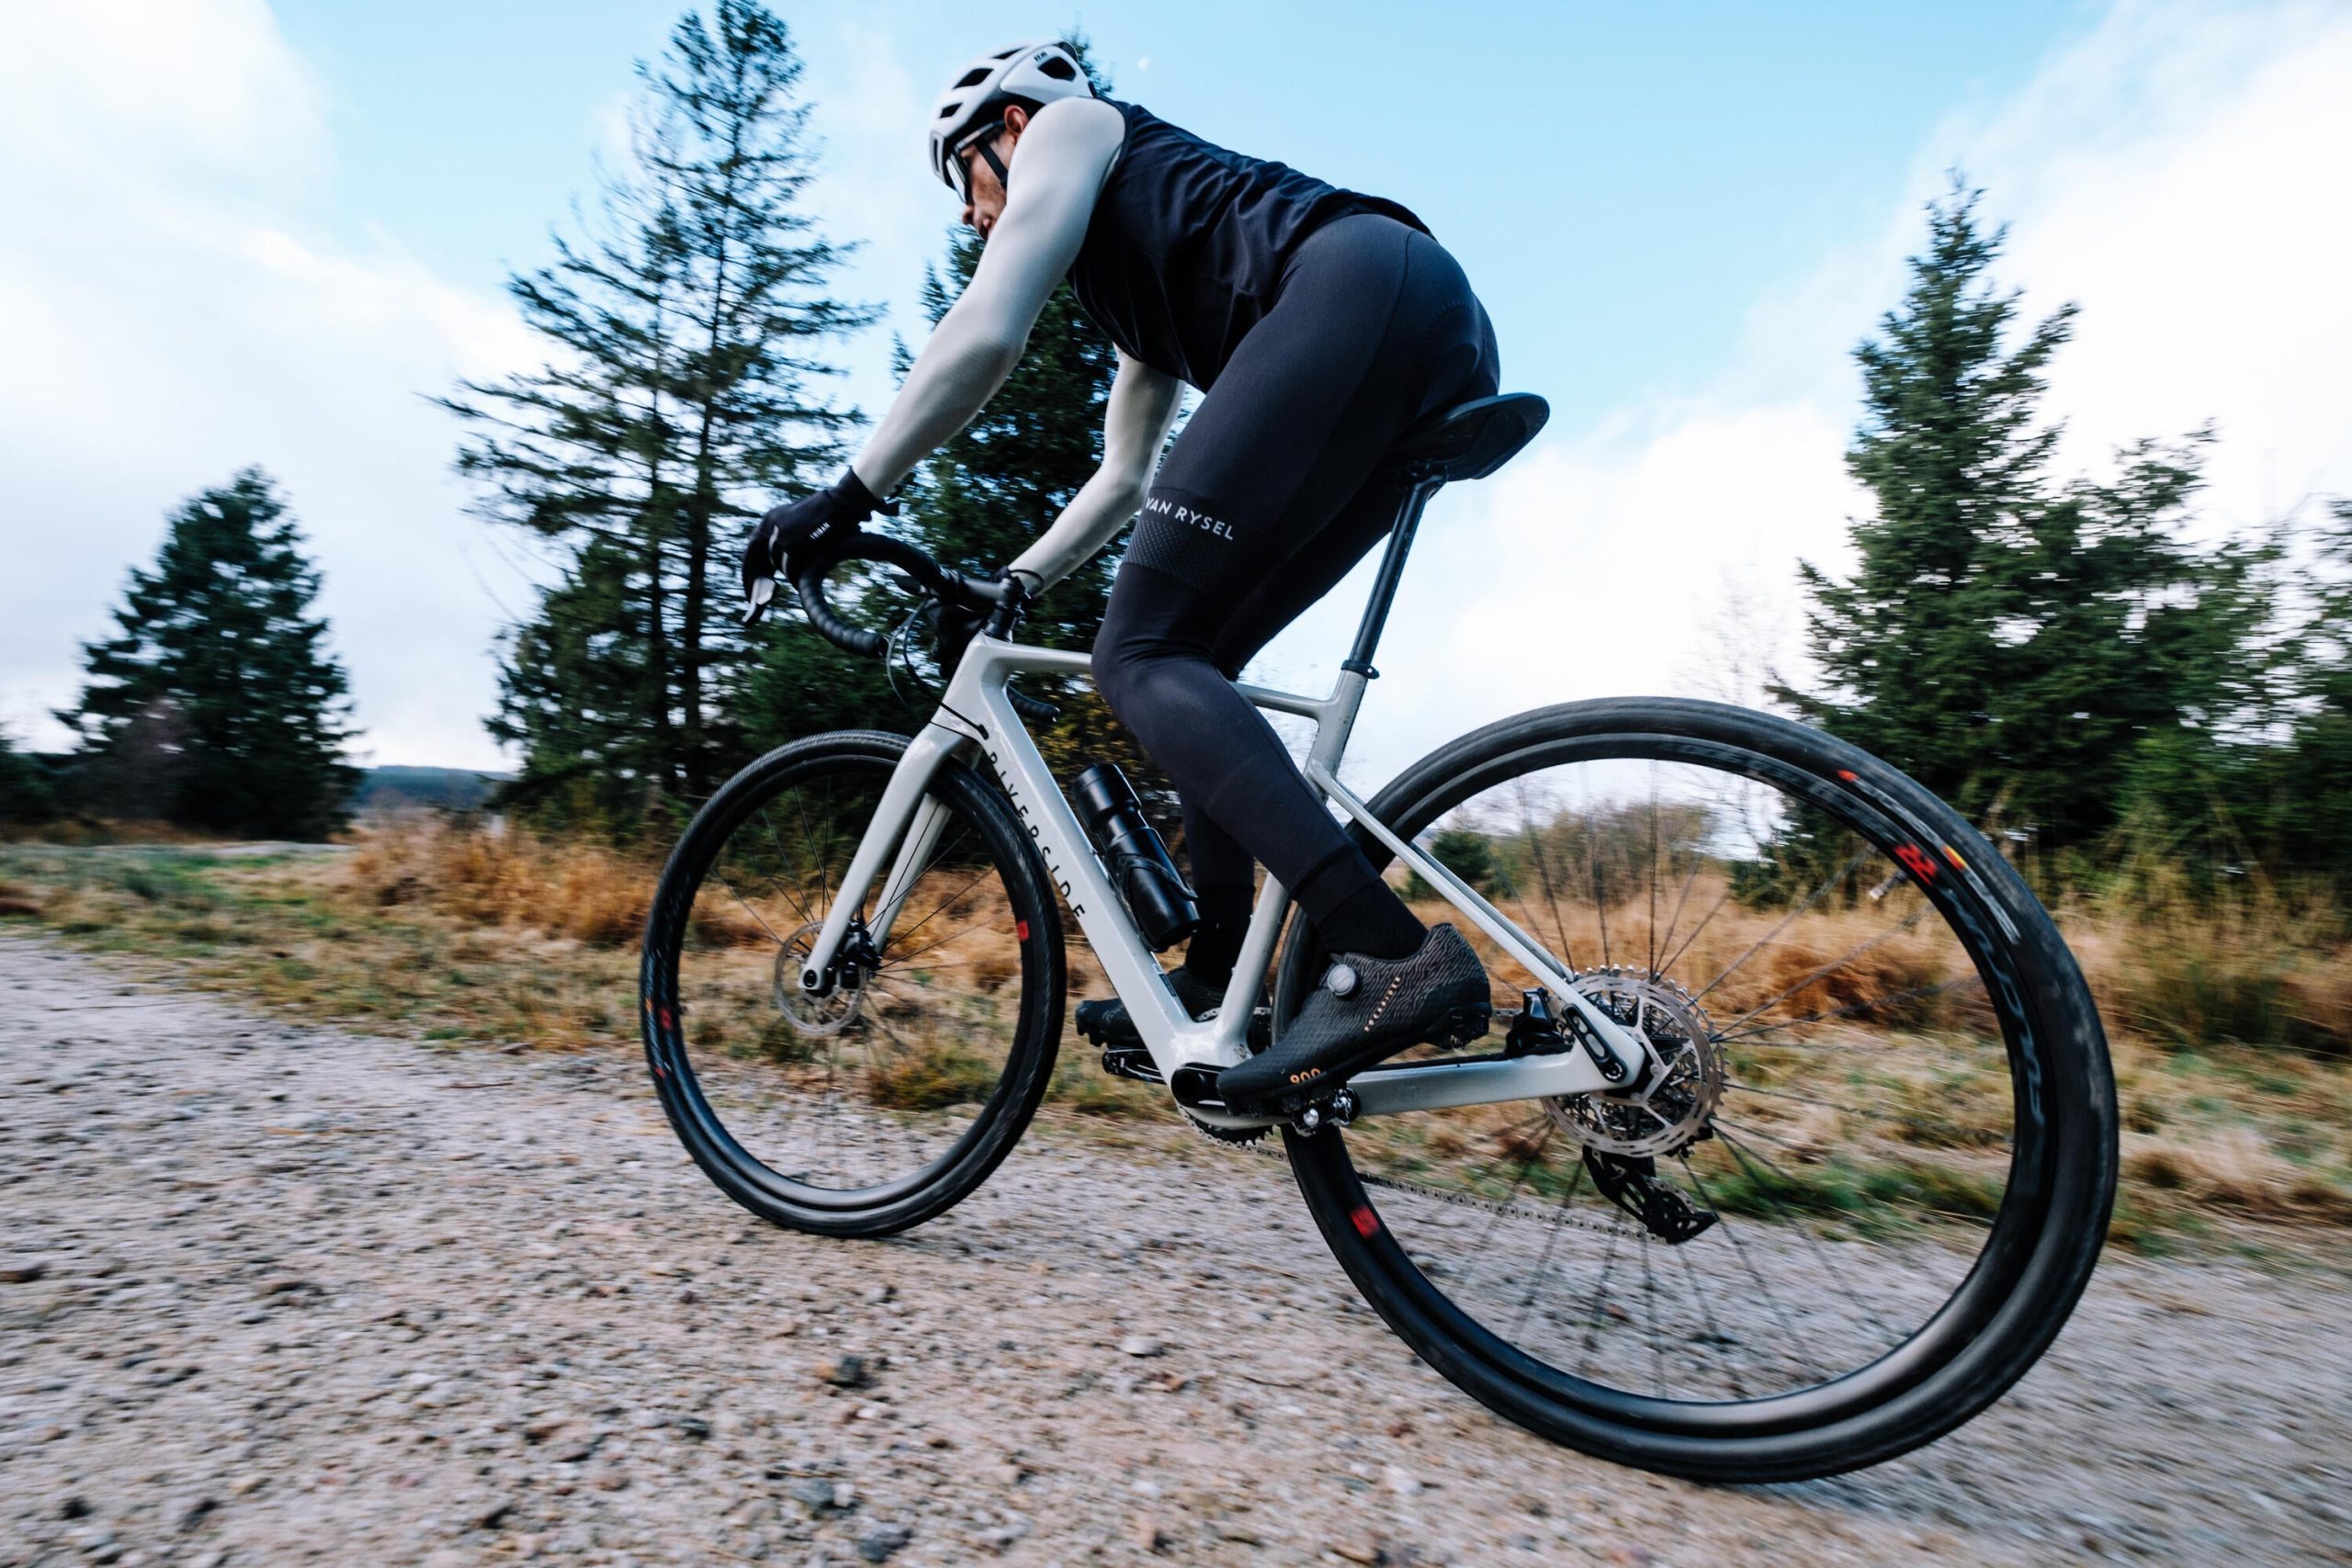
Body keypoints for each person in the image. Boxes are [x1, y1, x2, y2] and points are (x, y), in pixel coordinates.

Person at [741, 40, 1498, 1115]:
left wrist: (846, 495)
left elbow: (986, 330)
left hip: (1357, 283)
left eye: (964, 180)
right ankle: (1220, 971)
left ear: (1009, 127)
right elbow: (1123, 478)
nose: (969, 216)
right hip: (1420, 324)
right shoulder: (1139, 281)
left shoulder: (1075, 126)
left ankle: (1387, 951)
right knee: (1194, 657)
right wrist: (1016, 580)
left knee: (1136, 654)